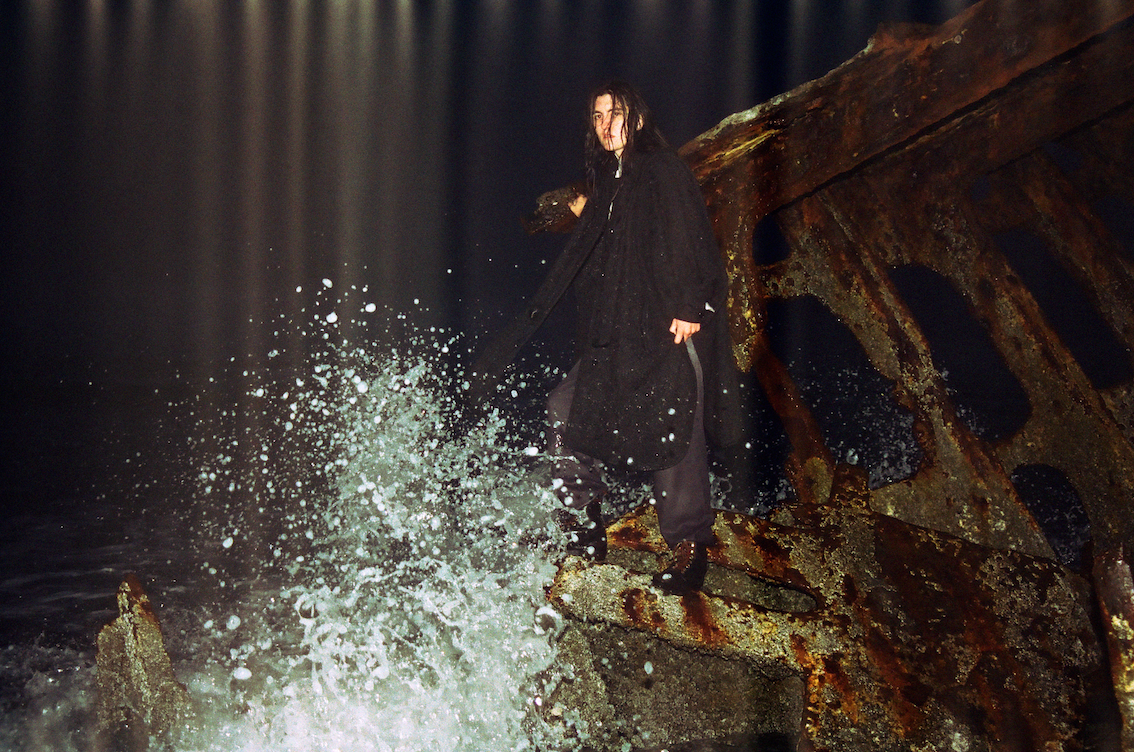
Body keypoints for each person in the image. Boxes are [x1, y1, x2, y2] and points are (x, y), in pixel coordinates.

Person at [470, 80, 739, 593]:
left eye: (614, 113)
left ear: (637, 117)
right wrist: (584, 215)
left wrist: (688, 304)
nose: (605, 124)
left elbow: (688, 231)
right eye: (597, 116)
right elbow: (616, 244)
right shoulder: (612, 182)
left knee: (675, 423)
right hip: (618, 330)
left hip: (666, 323)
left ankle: (689, 545)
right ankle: (584, 519)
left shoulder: (662, 168)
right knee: (563, 407)